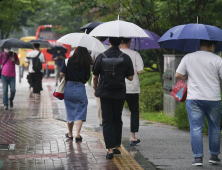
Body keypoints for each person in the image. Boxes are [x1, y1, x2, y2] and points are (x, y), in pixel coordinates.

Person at [175, 40, 222, 166]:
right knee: (214, 127)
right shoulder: (217, 59)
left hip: (194, 98)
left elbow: (178, 74)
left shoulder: (188, 57)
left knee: (196, 128)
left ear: (200, 44)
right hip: (213, 98)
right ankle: (214, 156)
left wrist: (187, 77)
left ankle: (198, 158)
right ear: (212, 46)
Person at [93, 37, 134, 159]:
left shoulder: (101, 56)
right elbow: (131, 77)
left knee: (107, 120)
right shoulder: (125, 57)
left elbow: (95, 76)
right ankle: (116, 146)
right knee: (117, 118)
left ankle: (110, 150)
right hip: (119, 93)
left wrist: (96, 88)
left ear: (109, 41)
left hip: (105, 93)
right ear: (121, 42)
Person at [60, 46, 92, 141]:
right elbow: (87, 77)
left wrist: (68, 76)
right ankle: (77, 134)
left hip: (68, 87)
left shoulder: (67, 61)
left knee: (69, 110)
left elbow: (62, 73)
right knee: (81, 110)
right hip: (80, 87)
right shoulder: (86, 63)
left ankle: (70, 134)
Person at [120, 38, 144, 146]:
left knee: (117, 112)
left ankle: (117, 137)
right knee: (134, 111)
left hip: (118, 87)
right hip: (132, 87)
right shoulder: (135, 54)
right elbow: (139, 71)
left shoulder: (116, 53)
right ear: (129, 42)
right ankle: (132, 136)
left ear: (120, 42)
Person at [91, 37, 109, 126]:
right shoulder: (109, 47)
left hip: (98, 78)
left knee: (99, 102)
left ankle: (102, 120)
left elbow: (92, 60)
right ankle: (109, 118)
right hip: (109, 78)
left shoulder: (95, 48)